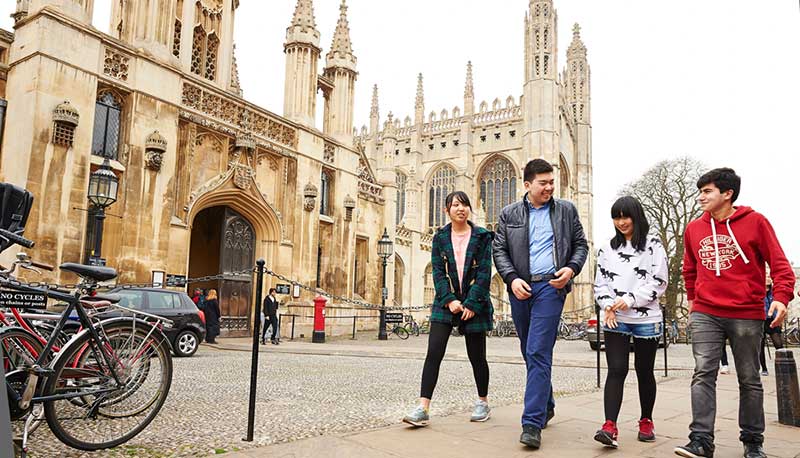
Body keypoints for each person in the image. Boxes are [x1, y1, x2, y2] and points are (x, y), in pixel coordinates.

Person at [675, 168, 795, 458]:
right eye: (700, 191)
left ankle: (753, 441)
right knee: (703, 373)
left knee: (749, 378)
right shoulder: (694, 228)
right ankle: (701, 440)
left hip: (746, 312)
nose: (701, 196)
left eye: (707, 191)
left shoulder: (755, 222)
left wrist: (781, 297)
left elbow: (780, 265)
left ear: (727, 194)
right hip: (705, 311)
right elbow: (689, 268)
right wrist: (693, 300)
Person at [492, 158, 588, 449]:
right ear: (527, 185)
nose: (549, 187)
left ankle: (531, 422)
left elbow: (581, 244)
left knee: (537, 349)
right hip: (520, 287)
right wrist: (510, 278)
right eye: (543, 182)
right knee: (529, 351)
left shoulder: (566, 210)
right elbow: (500, 249)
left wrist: (571, 269)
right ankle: (546, 404)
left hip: (551, 286)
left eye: (551, 182)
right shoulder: (509, 213)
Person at [402, 191, 494, 427]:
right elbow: (438, 272)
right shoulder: (440, 237)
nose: (460, 208)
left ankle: (482, 401)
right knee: (433, 353)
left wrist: (472, 304)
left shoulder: (482, 237)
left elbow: (484, 273)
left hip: (475, 302)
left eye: (464, 204)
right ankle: (423, 407)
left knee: (477, 357)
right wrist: (450, 300)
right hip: (446, 302)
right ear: (447, 210)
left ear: (469, 209)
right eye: (455, 205)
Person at [593, 196, 668, 448]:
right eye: (617, 217)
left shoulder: (653, 244)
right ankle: (609, 425)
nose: (621, 222)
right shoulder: (606, 248)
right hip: (616, 318)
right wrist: (607, 306)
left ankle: (646, 420)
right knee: (616, 370)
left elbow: (659, 281)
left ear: (637, 217)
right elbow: (600, 282)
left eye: (626, 216)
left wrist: (631, 299)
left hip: (646, 318)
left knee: (644, 371)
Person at [758, 282, 784, 376]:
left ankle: (782, 367)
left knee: (778, 344)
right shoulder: (758, 291)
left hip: (772, 320)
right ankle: (764, 368)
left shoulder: (773, 292)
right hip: (760, 320)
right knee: (760, 346)